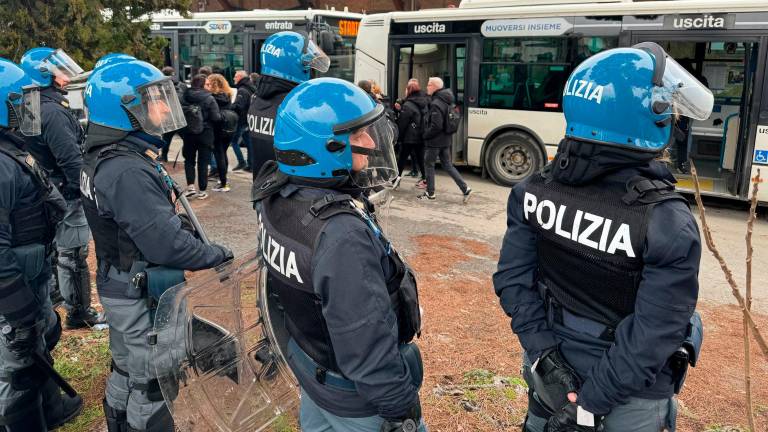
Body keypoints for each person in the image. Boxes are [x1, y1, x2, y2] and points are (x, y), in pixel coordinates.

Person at [493, 42, 712, 432]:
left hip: (551, 372)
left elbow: (512, 282)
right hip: (627, 399)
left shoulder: (533, 190)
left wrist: (545, 356)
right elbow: (655, 333)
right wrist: (590, 405)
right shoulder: (666, 220)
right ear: (649, 120)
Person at [252, 77, 426, 432]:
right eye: (357, 135)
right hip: (355, 398)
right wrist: (400, 406)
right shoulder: (341, 235)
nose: (370, 142)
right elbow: (364, 339)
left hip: (312, 366)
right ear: (324, 147)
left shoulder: (277, 197)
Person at [81, 59, 233, 432]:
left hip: (121, 282)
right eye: (154, 101)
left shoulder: (106, 155)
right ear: (124, 112)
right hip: (142, 295)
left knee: (127, 369)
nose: (164, 108)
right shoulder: (127, 169)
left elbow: (135, 225)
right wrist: (215, 253)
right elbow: (167, 246)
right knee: (152, 383)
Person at [0, 57, 84, 432]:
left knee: (43, 341)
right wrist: (18, 314)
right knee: (17, 369)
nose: (28, 109)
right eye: (20, 102)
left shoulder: (10, 147)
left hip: (31, 273)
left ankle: (49, 411)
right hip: (12, 289)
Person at [19, 47, 103, 328]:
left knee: (56, 252)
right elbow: (70, 158)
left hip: (48, 190)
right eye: (58, 69)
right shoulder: (53, 110)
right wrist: (87, 191)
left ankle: (56, 298)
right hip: (66, 194)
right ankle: (79, 313)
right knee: (74, 255)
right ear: (44, 75)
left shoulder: (30, 104)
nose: (66, 75)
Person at [249, 31, 329, 177]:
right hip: (290, 194)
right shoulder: (294, 107)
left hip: (262, 189)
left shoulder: (256, 99)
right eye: (308, 66)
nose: (310, 71)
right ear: (295, 65)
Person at [420, 77, 472, 203]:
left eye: (428, 85)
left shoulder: (436, 103)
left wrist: (425, 135)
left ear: (434, 86)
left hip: (434, 142)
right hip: (446, 140)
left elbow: (436, 125)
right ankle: (465, 188)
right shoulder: (448, 100)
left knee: (429, 165)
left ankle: (430, 193)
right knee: (448, 165)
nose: (426, 87)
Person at [180, 74, 220, 200]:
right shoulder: (209, 98)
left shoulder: (185, 95)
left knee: (189, 160)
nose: (209, 86)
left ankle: (190, 187)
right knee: (203, 162)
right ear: (202, 85)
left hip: (188, 132)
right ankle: (202, 190)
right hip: (206, 133)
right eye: (207, 84)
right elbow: (216, 117)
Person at [393, 78, 429, 189]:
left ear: (409, 90)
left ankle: (396, 179)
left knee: (402, 158)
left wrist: (398, 136)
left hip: (409, 137)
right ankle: (426, 179)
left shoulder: (408, 105)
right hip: (421, 134)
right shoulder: (424, 101)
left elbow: (403, 123)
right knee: (421, 159)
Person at [205, 73, 235, 192]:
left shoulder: (211, 97)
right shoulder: (227, 94)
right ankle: (224, 180)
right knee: (223, 153)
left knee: (219, 155)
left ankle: (223, 183)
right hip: (229, 127)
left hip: (217, 128)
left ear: (213, 84)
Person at [230, 70, 256, 172]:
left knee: (234, 142)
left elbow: (239, 106)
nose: (234, 78)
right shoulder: (251, 87)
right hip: (249, 120)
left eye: (235, 77)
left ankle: (241, 162)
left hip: (242, 121)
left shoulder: (242, 90)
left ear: (240, 77)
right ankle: (251, 165)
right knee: (249, 143)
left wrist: (231, 106)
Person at [159, 66, 186, 163]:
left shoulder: (161, 86)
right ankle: (187, 156)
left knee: (166, 139)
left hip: (169, 117)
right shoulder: (182, 85)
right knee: (186, 138)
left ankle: (164, 156)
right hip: (181, 116)